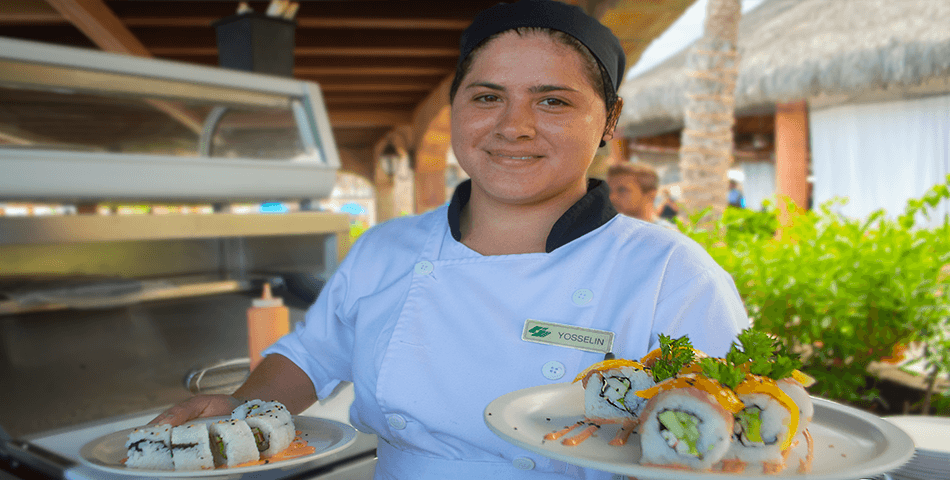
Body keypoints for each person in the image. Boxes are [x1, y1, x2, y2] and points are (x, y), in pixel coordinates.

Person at [150, 1, 749, 478]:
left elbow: (726, 433)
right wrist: (243, 406)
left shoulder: (671, 272)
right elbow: (310, 355)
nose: (514, 126)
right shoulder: (387, 249)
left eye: (553, 101)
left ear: (610, 120)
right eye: (487, 97)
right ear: (458, 107)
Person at [605, 162, 675, 228]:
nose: (612, 197)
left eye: (622, 190)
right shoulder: (613, 230)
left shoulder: (665, 235)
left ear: (650, 195)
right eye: (609, 190)